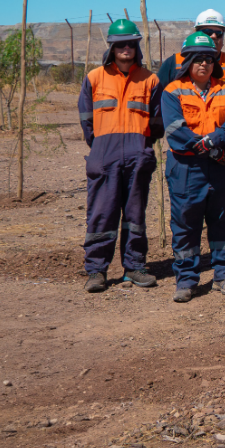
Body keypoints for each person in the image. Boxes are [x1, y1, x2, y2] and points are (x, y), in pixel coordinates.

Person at [77, 19, 164, 293]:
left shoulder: (150, 79)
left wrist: (141, 145)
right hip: (104, 155)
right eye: (120, 44)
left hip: (138, 155)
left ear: (137, 46)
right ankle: (96, 271)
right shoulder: (94, 78)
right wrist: (102, 148)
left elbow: (158, 123)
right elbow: (86, 120)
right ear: (111, 48)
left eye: (131, 43)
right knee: (102, 214)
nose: (126, 48)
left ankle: (135, 267)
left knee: (135, 214)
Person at [161, 33, 225, 302]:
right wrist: (207, 145)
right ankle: (186, 279)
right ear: (187, 62)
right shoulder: (173, 91)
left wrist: (213, 141)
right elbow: (175, 129)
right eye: (197, 59)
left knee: (223, 220)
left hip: (221, 164)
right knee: (186, 223)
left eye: (209, 59)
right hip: (187, 166)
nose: (203, 64)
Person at [156, 9, 225, 88]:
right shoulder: (173, 63)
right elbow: (159, 96)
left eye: (219, 33)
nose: (214, 36)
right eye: (208, 32)